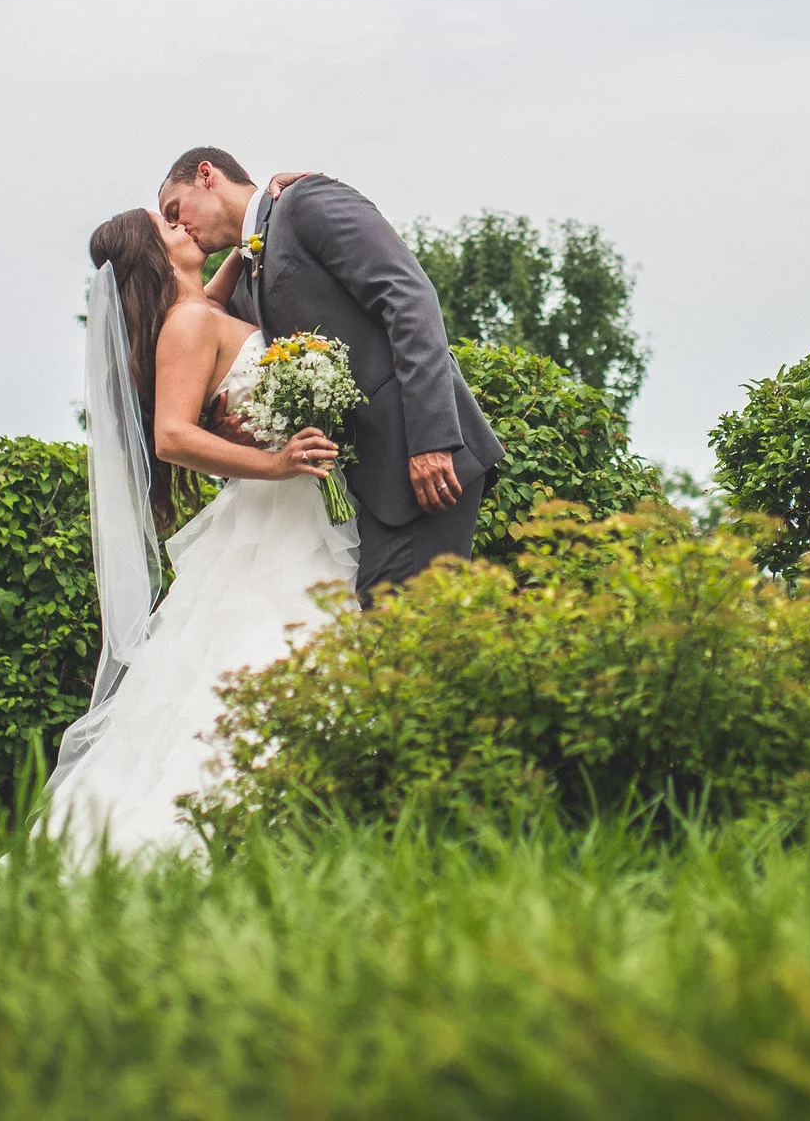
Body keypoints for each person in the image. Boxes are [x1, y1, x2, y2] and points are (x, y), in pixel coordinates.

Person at [38, 203, 353, 858]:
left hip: (283, 515)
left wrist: (244, 249)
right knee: (268, 650)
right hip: (272, 517)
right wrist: (276, 461)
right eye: (169, 229)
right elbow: (173, 436)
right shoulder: (185, 325)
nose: (185, 229)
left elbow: (206, 313)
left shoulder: (194, 313)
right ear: (156, 256)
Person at [158, 146, 503, 602]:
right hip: (358, 492)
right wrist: (227, 429)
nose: (179, 227)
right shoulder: (244, 282)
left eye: (175, 211)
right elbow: (205, 325)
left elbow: (409, 297)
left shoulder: (306, 203)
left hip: (419, 466)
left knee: (400, 643)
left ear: (206, 175)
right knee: (387, 647)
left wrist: (432, 441)